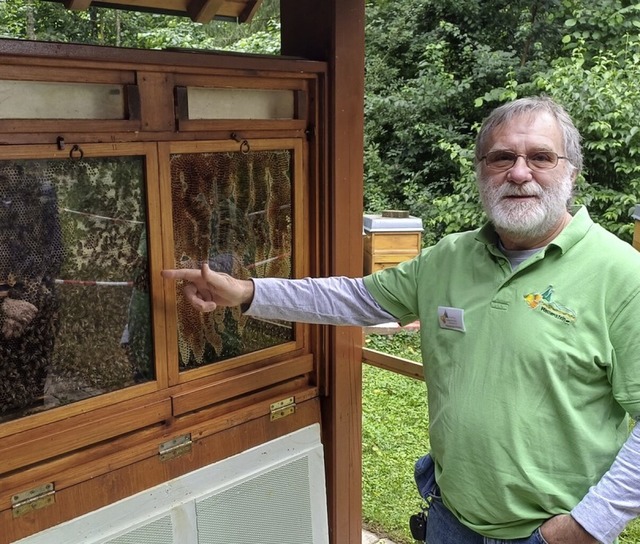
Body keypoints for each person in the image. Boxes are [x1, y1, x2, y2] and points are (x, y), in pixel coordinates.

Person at [162, 96, 640, 544]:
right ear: (481, 171)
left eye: (540, 157)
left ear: (571, 172)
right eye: (501, 158)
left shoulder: (621, 275)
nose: (519, 173)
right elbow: (355, 299)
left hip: (547, 535)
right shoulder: (451, 257)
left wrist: (587, 526)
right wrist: (245, 292)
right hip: (449, 519)